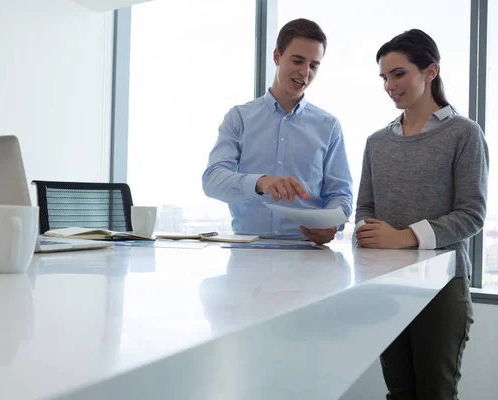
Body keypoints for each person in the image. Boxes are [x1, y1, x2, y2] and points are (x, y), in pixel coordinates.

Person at [355, 29, 488, 399]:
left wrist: (403, 237)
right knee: (398, 392)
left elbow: (472, 215)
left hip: (443, 288)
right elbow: (364, 208)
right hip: (387, 286)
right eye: (384, 77)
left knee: (436, 393)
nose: (389, 85)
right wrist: (365, 233)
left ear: (430, 72)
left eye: (398, 74)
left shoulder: (464, 134)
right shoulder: (376, 142)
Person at [201, 18, 353, 245]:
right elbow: (212, 180)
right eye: (298, 60)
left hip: (308, 255)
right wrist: (260, 182)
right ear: (276, 57)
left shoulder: (329, 125)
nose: (305, 72)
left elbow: (341, 194)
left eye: (314, 65)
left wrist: (332, 225)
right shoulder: (239, 117)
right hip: (246, 251)